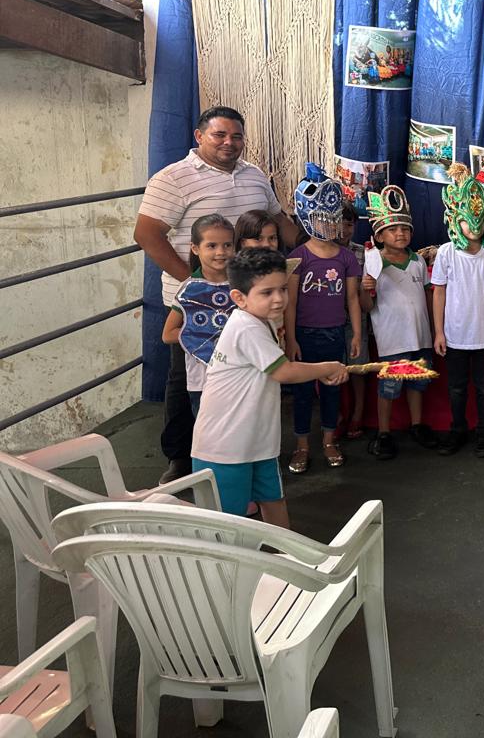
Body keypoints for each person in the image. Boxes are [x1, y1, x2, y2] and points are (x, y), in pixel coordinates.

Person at [135, 106, 296, 484]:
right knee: (186, 380)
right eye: (219, 135)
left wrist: (316, 246)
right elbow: (146, 234)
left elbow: (278, 221)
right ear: (199, 136)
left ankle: (247, 452)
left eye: (236, 136)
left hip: (248, 301)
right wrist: (198, 285)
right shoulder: (172, 178)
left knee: (248, 375)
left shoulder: (255, 175)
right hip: (195, 302)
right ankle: (181, 457)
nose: (229, 142)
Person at [192, 248, 347, 526]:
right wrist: (327, 368)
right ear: (239, 297)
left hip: (255, 442)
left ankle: (284, 549)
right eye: (266, 292)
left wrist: (322, 370)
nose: (278, 299)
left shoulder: (258, 322)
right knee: (228, 523)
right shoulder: (247, 327)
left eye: (282, 289)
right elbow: (284, 371)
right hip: (226, 447)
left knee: (273, 499)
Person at [284, 166, 362, 474]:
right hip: (304, 335)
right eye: (322, 218)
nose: (329, 224)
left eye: (334, 219)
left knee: (332, 391)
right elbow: (290, 302)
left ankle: (330, 441)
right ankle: (302, 446)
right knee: (302, 394)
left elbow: (352, 298)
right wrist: (291, 339)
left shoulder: (347, 258)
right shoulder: (298, 256)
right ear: (308, 217)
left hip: (334, 334)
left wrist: (356, 334)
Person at [432, 164, 484, 458]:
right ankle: (457, 429)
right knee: (456, 387)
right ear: (456, 219)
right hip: (455, 337)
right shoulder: (446, 253)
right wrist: (439, 332)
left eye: (479, 219)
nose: (474, 226)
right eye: (467, 220)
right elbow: (439, 292)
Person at [362, 185, 436, 459]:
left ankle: (417, 425)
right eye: (392, 229)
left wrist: (434, 330)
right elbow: (367, 305)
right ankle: (383, 433)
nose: (400, 233)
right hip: (393, 340)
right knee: (389, 387)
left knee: (417, 383)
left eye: (405, 228)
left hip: (420, 336)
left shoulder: (418, 262)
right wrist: (365, 288)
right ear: (379, 235)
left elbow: (427, 297)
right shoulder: (374, 263)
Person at [161, 214, 235, 418]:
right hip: (203, 381)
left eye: (227, 245)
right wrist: (204, 333)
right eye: (211, 246)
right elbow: (168, 334)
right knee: (208, 431)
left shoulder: (242, 283)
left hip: (239, 374)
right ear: (195, 248)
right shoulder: (189, 290)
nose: (220, 252)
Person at [335, 202, 371, 439]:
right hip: (330, 319)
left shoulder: (362, 253)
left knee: (358, 368)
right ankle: (339, 415)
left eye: (349, 225)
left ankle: (358, 413)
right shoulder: (324, 251)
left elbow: (367, 292)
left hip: (357, 318)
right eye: (339, 225)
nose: (344, 230)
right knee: (335, 368)